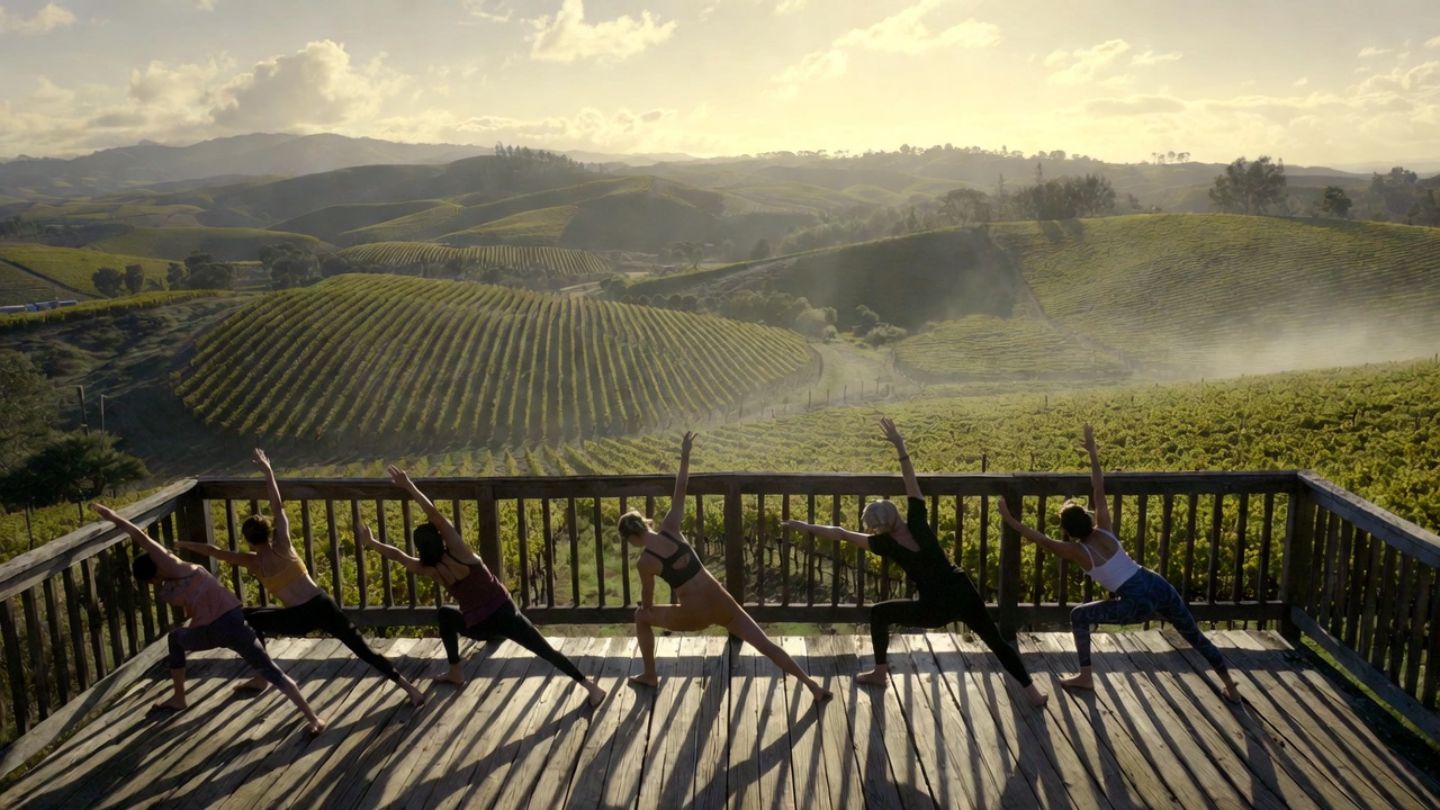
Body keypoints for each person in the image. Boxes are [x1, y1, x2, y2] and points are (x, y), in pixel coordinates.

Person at [782, 418, 1048, 707]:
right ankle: (1033, 694)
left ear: (878, 528)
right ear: (896, 513)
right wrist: (899, 444)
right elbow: (910, 477)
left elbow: (841, 534)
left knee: (879, 614)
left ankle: (880, 672)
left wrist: (802, 526)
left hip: (933, 608)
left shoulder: (884, 544)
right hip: (961, 590)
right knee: (997, 642)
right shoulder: (918, 522)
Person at [995, 424, 1241, 703]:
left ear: (1067, 531)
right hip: (1154, 582)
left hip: (1134, 603)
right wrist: (1092, 451)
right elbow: (1098, 485)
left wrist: (1010, 519)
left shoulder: (1078, 552)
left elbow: (1039, 538)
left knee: (1079, 616)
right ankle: (1230, 685)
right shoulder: (1105, 529)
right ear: (1088, 517)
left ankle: (1086, 676)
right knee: (1195, 635)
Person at [177, 449, 424, 706]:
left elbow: (215, 551)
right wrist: (268, 471)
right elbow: (276, 504)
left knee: (249, 619)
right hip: (321, 604)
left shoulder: (253, 561)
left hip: (297, 618)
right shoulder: (284, 544)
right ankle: (410, 689)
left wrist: (183, 544)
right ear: (270, 530)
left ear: (248, 540)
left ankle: (262, 675)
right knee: (363, 650)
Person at [360, 465, 607, 707]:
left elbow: (398, 556)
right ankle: (590, 687)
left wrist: (371, 542)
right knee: (545, 651)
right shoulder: (460, 552)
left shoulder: (430, 569)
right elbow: (434, 514)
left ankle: (456, 671)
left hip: (479, 627)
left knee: (445, 614)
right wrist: (409, 486)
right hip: (506, 614)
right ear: (439, 538)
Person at [621, 432, 832, 702]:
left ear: (631, 538)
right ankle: (810, 684)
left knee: (641, 617)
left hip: (694, 613)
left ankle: (650, 675)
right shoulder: (671, 528)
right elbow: (681, 488)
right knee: (765, 644)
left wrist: (644, 604)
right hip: (722, 600)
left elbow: (648, 603)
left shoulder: (645, 562)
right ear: (646, 524)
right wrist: (685, 454)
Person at [91, 502, 325, 733]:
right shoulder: (177, 566)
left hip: (211, 632)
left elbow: (195, 614)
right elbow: (140, 537)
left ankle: (179, 697)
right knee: (273, 671)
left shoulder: (166, 592)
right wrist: (112, 516)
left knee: (175, 639)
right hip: (235, 622)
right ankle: (313, 718)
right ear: (157, 562)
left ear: (150, 580)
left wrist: (196, 632)